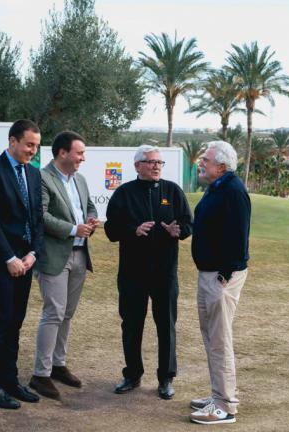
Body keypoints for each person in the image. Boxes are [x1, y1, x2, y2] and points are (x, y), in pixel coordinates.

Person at [104, 144, 192, 400]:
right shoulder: (123, 193)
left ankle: (166, 378)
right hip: (133, 273)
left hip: (164, 272)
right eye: (150, 162)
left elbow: (187, 223)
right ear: (137, 165)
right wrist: (133, 230)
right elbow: (111, 230)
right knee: (131, 324)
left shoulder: (172, 191)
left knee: (166, 324)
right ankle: (132, 374)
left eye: (159, 163)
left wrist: (180, 231)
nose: (156, 166)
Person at [0, 119, 43, 409]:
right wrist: (9, 258)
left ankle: (9, 380)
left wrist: (33, 254)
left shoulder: (34, 174)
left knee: (15, 321)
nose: (33, 151)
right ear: (12, 141)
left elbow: (37, 218)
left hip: (25, 261)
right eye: (29, 144)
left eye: (36, 146)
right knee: (0, 319)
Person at [29, 131, 98, 400]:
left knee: (67, 313)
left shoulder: (79, 179)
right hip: (53, 256)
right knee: (54, 313)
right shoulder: (42, 178)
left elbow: (90, 206)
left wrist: (90, 221)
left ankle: (58, 365)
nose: (83, 158)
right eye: (79, 153)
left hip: (80, 255)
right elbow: (40, 216)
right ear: (63, 153)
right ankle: (40, 374)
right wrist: (72, 229)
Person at [189, 141, 251, 425]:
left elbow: (239, 237)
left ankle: (225, 407)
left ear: (222, 166)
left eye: (207, 159)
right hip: (210, 274)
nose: (202, 162)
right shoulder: (218, 188)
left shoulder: (233, 191)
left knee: (219, 340)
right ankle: (218, 395)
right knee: (212, 338)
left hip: (220, 277)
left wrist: (223, 275)